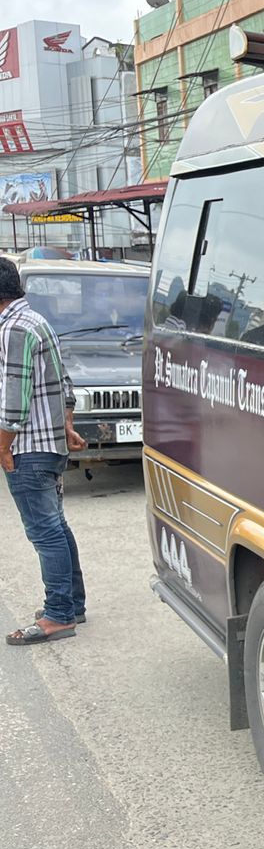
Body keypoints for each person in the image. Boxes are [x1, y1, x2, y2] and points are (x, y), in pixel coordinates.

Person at [2, 257, 88, 646]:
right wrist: (66, 425)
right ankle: (72, 604)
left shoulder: (13, 330)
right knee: (57, 527)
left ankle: (58, 615)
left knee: (44, 532)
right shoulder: (36, 321)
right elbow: (64, 384)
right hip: (49, 444)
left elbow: (13, 405)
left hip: (29, 448)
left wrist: (3, 448)